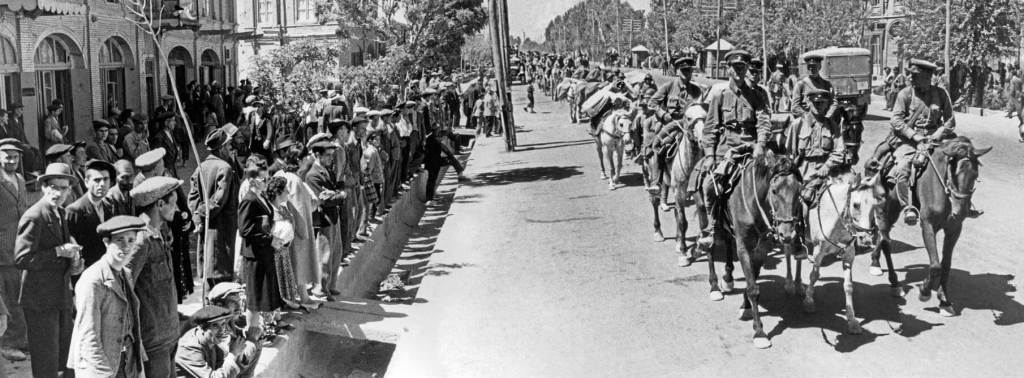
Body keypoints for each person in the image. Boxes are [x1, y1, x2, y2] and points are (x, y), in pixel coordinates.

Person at [865, 58, 981, 224]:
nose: (913, 79)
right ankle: (908, 207)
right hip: (909, 141)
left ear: (929, 77)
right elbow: (896, 120)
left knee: (963, 162)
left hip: (936, 139)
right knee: (902, 167)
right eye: (914, 76)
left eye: (919, 76)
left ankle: (964, 204)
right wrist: (915, 136)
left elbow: (950, 121)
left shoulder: (941, 94)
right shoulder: (905, 94)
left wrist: (938, 134)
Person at [696, 50, 772, 249]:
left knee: (777, 180)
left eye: (742, 67)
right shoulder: (720, 96)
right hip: (726, 150)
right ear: (728, 69)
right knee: (709, 186)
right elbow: (710, 128)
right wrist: (709, 156)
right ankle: (712, 227)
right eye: (735, 67)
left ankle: (775, 227)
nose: (739, 71)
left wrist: (761, 145)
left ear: (746, 69)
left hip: (751, 149)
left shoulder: (757, 96)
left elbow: (764, 123)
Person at [15, 163, 85, 378]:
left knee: (67, 356)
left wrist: (74, 262)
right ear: (43, 187)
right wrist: (58, 251)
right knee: (46, 360)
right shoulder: (34, 216)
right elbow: (22, 258)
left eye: (63, 188)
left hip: (60, 295)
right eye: (53, 187)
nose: (58, 193)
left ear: (69, 190)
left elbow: (61, 251)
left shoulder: (60, 212)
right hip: (40, 300)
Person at [67, 215, 147, 377]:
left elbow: (130, 323)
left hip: (126, 361)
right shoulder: (93, 280)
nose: (126, 246)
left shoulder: (126, 273)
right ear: (106, 242)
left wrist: (139, 366)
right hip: (100, 365)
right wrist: (103, 373)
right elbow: (88, 336)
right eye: (119, 240)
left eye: (131, 240)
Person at [129, 176, 184, 377]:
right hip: (153, 340)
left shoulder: (158, 234)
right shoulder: (140, 240)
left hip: (169, 334)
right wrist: (135, 339)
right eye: (173, 203)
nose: (177, 209)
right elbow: (124, 288)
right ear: (160, 204)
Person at [189, 126, 241, 291]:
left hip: (206, 226)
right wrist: (201, 215)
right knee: (220, 270)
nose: (231, 148)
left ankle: (209, 300)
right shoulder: (224, 168)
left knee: (209, 267)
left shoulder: (201, 167)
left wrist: (197, 216)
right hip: (222, 227)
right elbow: (219, 199)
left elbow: (193, 198)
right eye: (229, 145)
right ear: (222, 147)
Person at [271, 140, 319, 308]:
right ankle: (303, 296)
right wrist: (304, 232)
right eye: (306, 157)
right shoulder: (295, 180)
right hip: (296, 229)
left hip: (280, 227)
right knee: (299, 262)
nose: (308, 160)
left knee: (285, 265)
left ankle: (291, 296)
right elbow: (300, 210)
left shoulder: (279, 174)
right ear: (299, 160)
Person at [239, 175, 286, 329]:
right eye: (262, 179)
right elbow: (245, 230)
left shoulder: (261, 197)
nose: (266, 182)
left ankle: (267, 325)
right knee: (254, 297)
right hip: (254, 255)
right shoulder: (249, 200)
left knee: (265, 293)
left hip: (265, 252)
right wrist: (269, 239)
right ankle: (252, 331)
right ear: (252, 180)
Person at [304, 140, 347, 300]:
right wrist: (341, 195)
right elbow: (324, 200)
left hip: (332, 217)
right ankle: (320, 288)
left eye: (331, 155)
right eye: (327, 155)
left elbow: (335, 190)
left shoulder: (327, 170)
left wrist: (336, 193)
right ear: (317, 155)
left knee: (336, 253)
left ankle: (331, 285)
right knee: (325, 257)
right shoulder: (313, 175)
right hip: (324, 219)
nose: (331, 158)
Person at [175, 305, 262, 377]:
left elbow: (227, 370)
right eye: (215, 325)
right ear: (202, 328)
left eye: (223, 324)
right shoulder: (190, 348)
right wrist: (233, 354)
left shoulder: (212, 342)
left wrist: (240, 353)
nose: (222, 330)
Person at [0, 139, 28, 361]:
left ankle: (22, 339)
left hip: (21, 246)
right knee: (10, 298)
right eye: (7, 156)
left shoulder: (20, 179)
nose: (12, 161)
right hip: (3, 249)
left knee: (22, 294)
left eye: (15, 157)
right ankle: (9, 343)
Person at [796, 89, 847, 205]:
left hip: (827, 173)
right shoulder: (797, 124)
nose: (818, 106)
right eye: (815, 103)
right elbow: (790, 153)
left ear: (826, 105)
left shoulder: (832, 126)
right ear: (808, 103)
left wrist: (827, 166)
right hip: (803, 174)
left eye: (822, 103)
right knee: (799, 207)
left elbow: (839, 151)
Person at [66, 159, 117, 268]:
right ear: (86, 182)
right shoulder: (74, 211)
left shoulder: (108, 206)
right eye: (97, 180)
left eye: (105, 179)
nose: (102, 184)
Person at [791, 53, 838, 119]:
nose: (811, 69)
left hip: (824, 118)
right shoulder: (800, 85)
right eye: (809, 66)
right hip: (807, 119)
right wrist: (808, 117)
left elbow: (833, 103)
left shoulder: (827, 84)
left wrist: (828, 116)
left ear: (820, 67)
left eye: (814, 66)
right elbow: (795, 107)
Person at [423, 129, 465, 201]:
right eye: (441, 138)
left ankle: (460, 172)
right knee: (432, 180)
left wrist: (450, 158)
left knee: (432, 180)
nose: (442, 139)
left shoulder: (436, 141)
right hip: (432, 163)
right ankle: (429, 198)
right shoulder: (432, 141)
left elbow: (447, 152)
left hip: (436, 162)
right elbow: (442, 152)